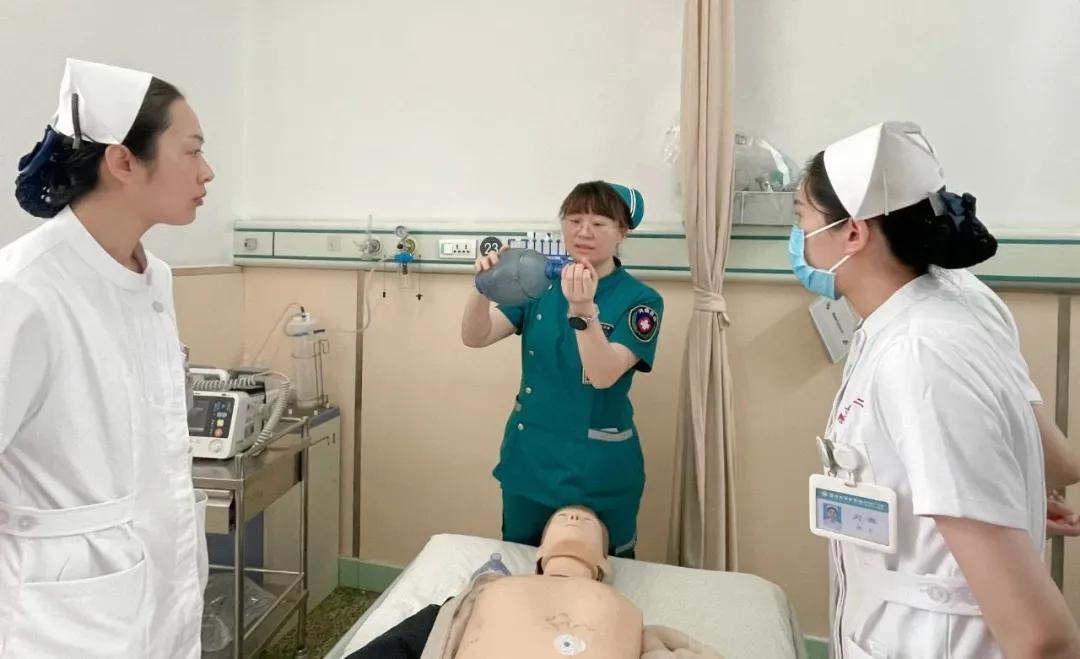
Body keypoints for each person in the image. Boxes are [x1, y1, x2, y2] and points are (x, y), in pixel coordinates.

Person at [791, 121, 1080, 657]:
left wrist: (985, 507)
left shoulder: (918, 357)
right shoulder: (946, 299)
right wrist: (992, 496)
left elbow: (1041, 637)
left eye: (801, 219)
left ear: (853, 233)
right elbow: (1029, 456)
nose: (797, 239)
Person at [0, 58, 215, 658]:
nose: (207, 171)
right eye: (192, 151)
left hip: (157, 587)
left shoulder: (153, 279)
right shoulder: (23, 289)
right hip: (59, 620)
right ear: (123, 162)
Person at [461, 181, 663, 559]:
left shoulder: (640, 301)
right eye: (574, 220)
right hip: (530, 462)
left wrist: (583, 310)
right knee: (523, 567)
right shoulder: (537, 284)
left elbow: (604, 375)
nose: (584, 231)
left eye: (599, 223)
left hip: (598, 469)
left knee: (598, 572)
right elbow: (476, 336)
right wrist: (483, 287)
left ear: (622, 232)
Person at [348, 506, 724, 659]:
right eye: (563, 518)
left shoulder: (630, 616)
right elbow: (405, 644)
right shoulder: (483, 593)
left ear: (605, 565)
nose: (574, 518)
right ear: (538, 554)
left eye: (587, 521)